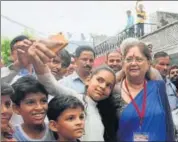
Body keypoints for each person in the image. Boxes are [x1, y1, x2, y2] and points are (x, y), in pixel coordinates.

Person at [27, 41, 118, 141]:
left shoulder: (105, 111)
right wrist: (37, 59)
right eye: (100, 80)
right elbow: (51, 85)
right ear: (88, 80)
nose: (103, 86)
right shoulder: (77, 99)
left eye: (109, 85)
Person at [114, 41, 175, 141]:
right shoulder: (114, 91)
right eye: (129, 59)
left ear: (148, 63)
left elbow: (168, 125)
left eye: (139, 59)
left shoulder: (158, 88)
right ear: (123, 63)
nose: (133, 63)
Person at [11, 76, 55, 141]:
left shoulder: (56, 130)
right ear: (16, 109)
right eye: (30, 102)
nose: (39, 107)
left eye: (43, 101)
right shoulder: (11, 135)